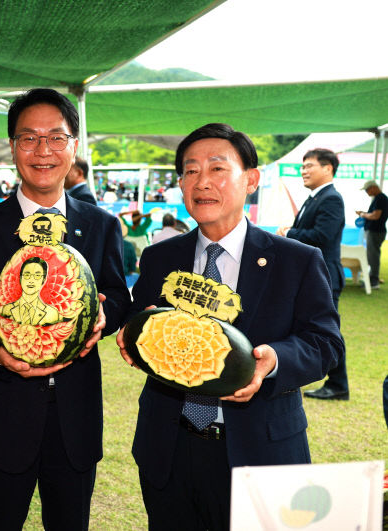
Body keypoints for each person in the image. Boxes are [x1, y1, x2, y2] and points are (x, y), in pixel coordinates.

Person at [117, 123, 344, 531]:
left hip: (259, 450)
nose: (202, 182)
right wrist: (134, 336)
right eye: (190, 171)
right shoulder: (159, 258)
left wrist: (274, 361)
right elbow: (144, 320)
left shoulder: (297, 260)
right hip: (169, 444)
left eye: (217, 169)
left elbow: (324, 343)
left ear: (251, 180)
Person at [0, 88, 130, 530]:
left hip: (74, 417)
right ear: (13, 147)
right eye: (29, 138)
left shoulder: (102, 226)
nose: (43, 151)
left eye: (56, 138)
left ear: (74, 145)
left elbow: (118, 295)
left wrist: (107, 316)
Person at [277, 148, 347, 400]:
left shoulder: (331, 198)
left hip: (325, 276)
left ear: (328, 168)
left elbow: (322, 237)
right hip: (310, 276)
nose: (303, 171)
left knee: (328, 332)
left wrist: (288, 234)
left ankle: (338, 384)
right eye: (302, 167)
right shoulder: (314, 198)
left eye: (309, 166)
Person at [0, 257, 61, 326]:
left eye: (37, 275)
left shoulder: (52, 314)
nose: (31, 280)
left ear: (43, 280)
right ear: (20, 278)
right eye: (27, 275)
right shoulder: (7, 310)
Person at [356, 180, 387, 289]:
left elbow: (375, 216)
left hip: (375, 231)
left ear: (373, 187)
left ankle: (374, 281)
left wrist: (363, 214)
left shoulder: (380, 198)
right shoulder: (379, 198)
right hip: (376, 231)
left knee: (373, 256)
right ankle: (372, 278)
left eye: (367, 190)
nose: (366, 192)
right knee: (372, 255)